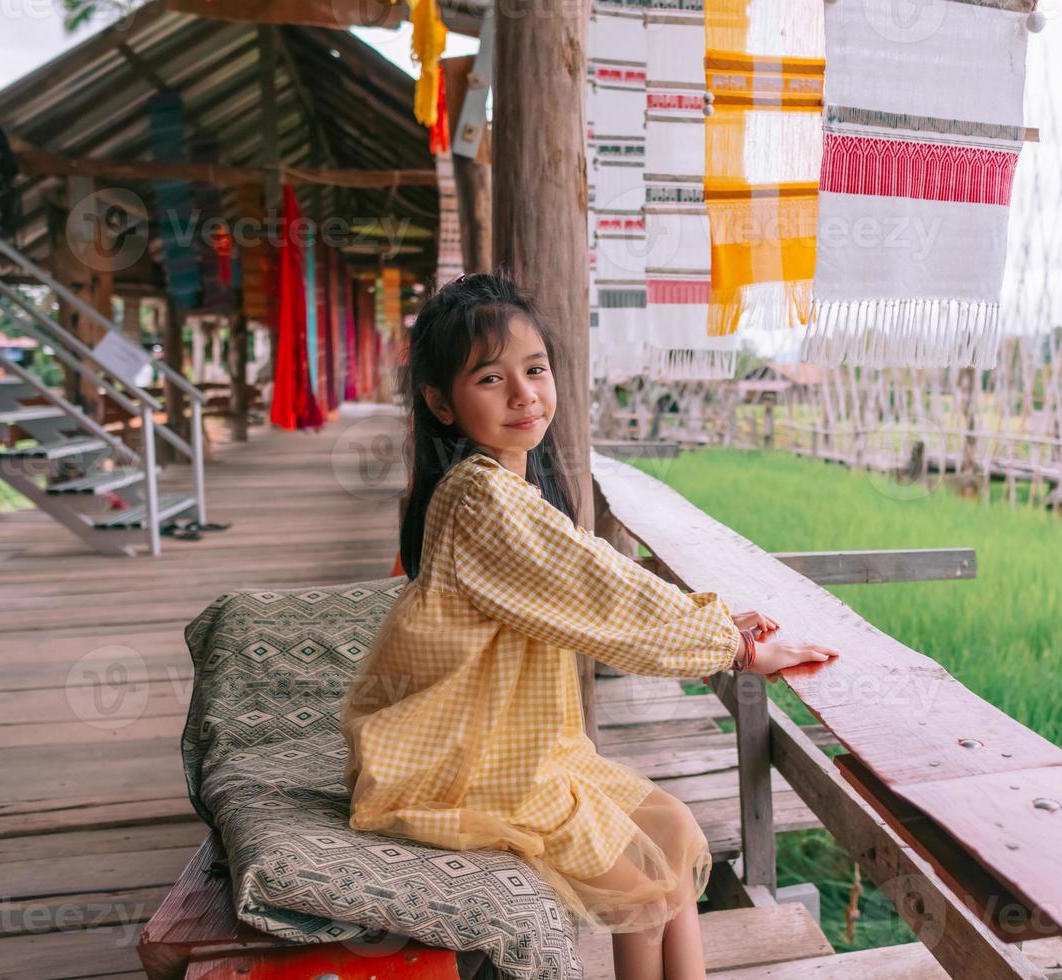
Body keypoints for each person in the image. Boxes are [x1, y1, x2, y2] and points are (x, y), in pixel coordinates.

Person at [339, 271, 840, 980]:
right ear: (439, 402)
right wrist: (733, 647)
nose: (524, 394)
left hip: (518, 744)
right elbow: (604, 597)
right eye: (490, 378)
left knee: (670, 832)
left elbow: (598, 575)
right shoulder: (483, 500)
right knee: (644, 890)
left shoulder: (506, 490)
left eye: (535, 369)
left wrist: (718, 618)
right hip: (458, 758)